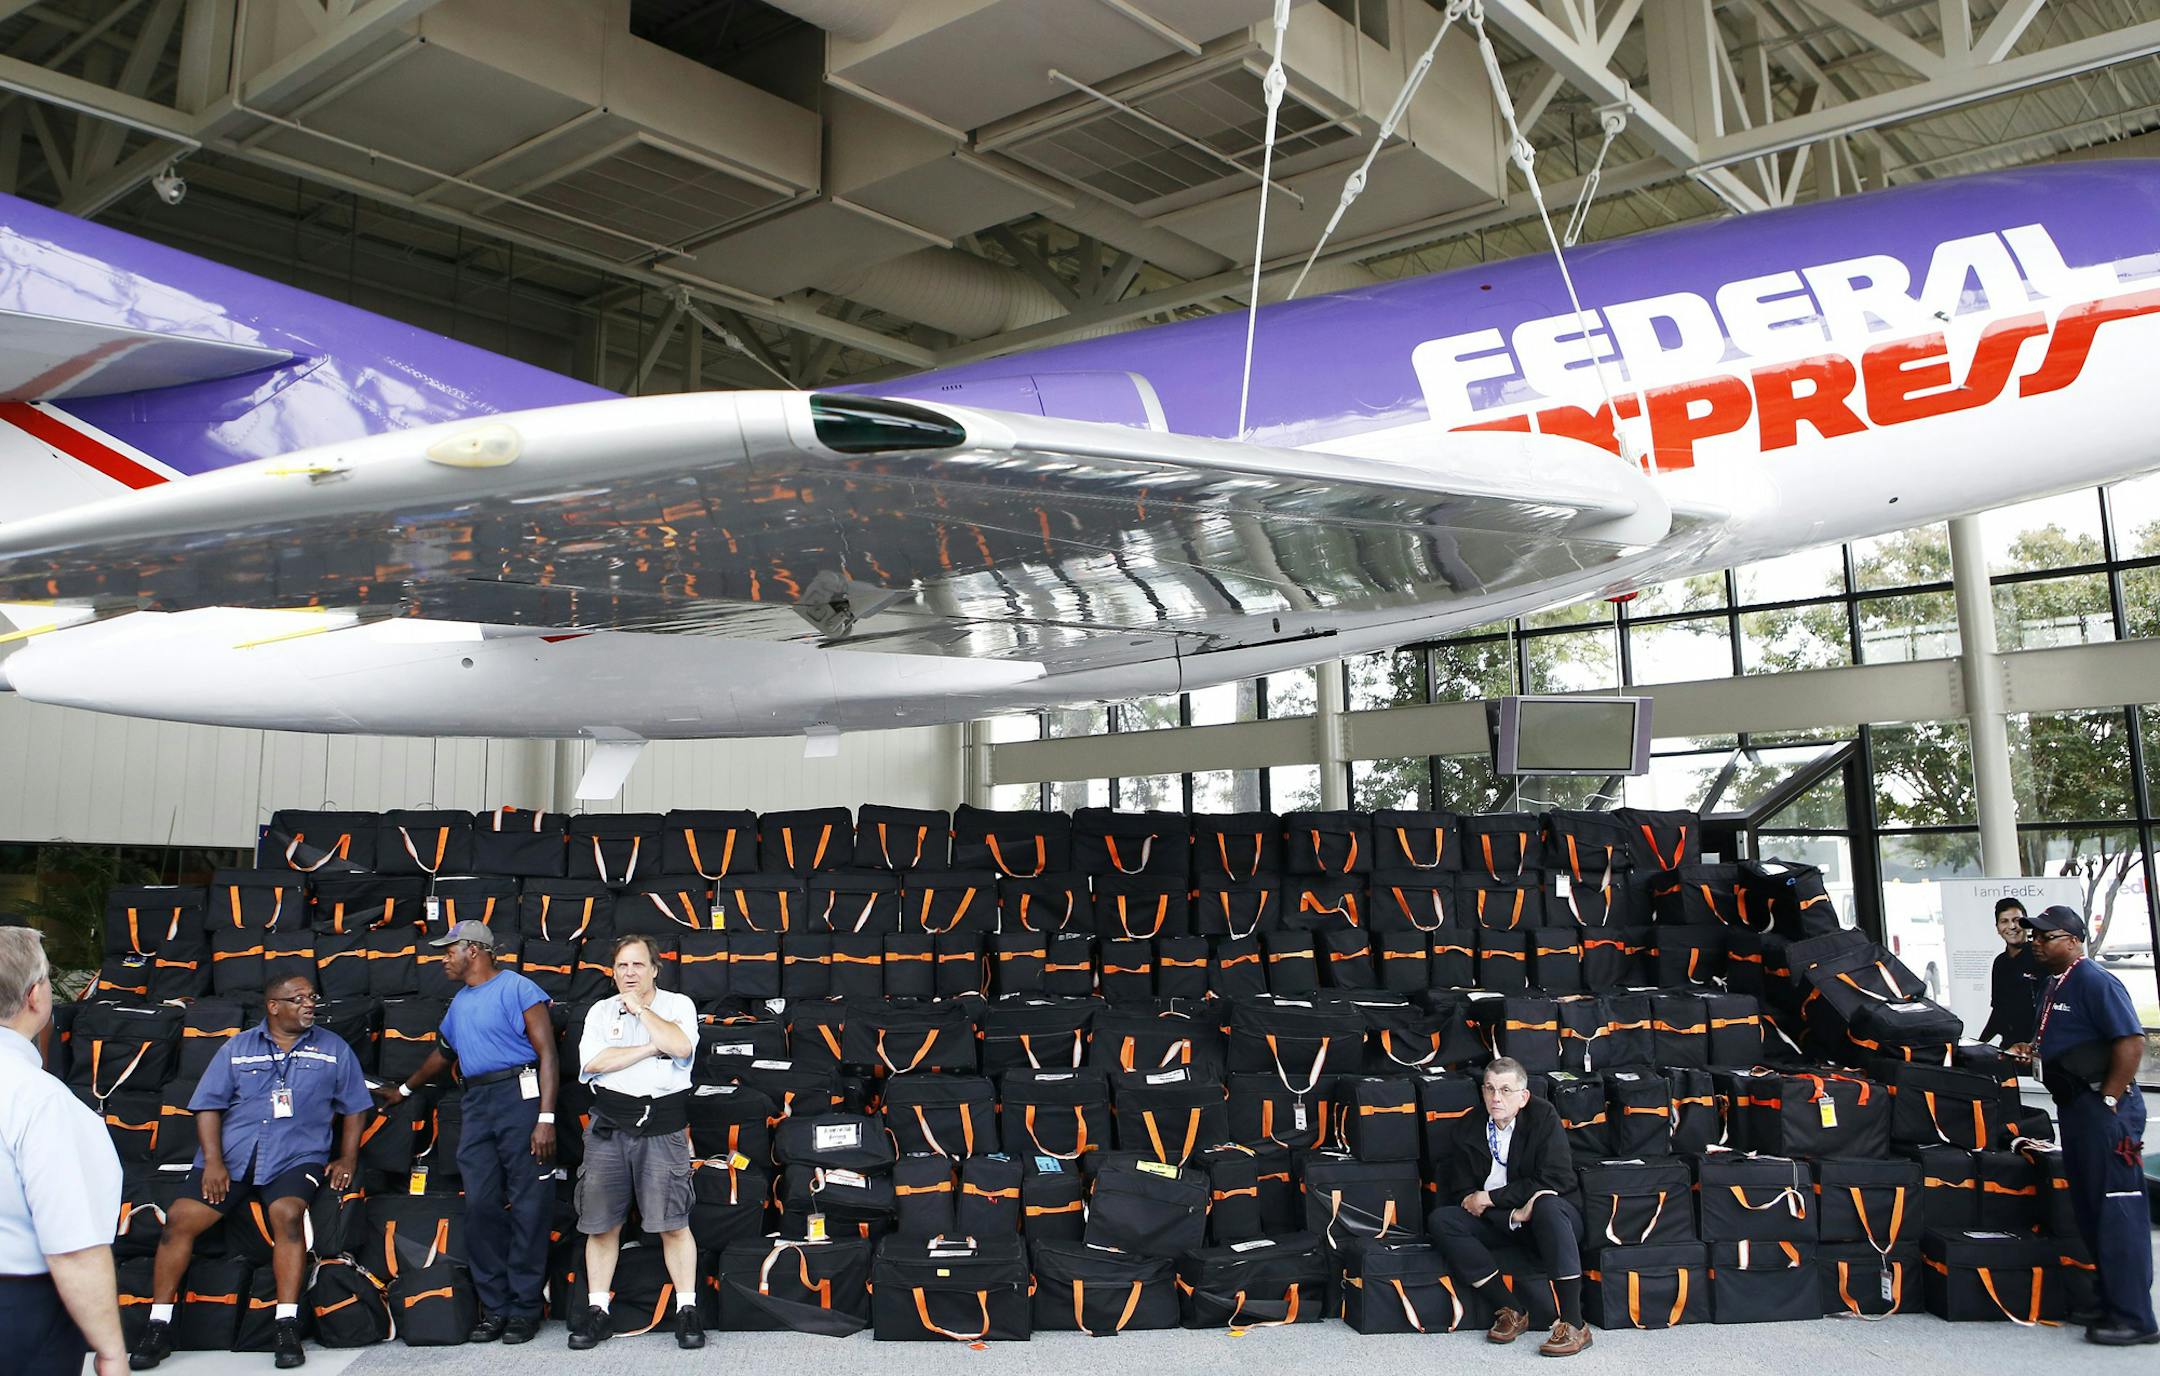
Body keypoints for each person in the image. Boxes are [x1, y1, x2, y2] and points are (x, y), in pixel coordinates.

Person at [130, 973, 370, 1370]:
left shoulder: (333, 1048)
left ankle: (286, 1325)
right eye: (298, 999)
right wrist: (214, 1163)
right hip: (234, 1158)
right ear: (273, 1006)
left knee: (287, 1215)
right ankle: (158, 1327)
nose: (309, 1004)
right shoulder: (237, 1048)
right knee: (179, 1220)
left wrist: (347, 1158)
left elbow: (356, 1105)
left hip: (297, 1156)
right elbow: (208, 1106)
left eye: (312, 997)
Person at [373, 919, 556, 1344]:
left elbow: (547, 1053)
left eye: (447, 951)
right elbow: (442, 1054)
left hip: (520, 1095)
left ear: (473, 950)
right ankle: (495, 1308)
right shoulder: (459, 1003)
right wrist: (403, 1088)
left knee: (529, 1205)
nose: (443, 960)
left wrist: (546, 1118)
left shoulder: (517, 988)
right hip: (476, 1103)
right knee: (480, 1207)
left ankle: (525, 1310)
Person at [2006, 904, 2155, 1346]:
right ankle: (2109, 1300)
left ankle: (2136, 1317)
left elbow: (2130, 1041)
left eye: (2044, 937)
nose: (2035, 942)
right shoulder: (2054, 984)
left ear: (2072, 940)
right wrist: (2031, 1050)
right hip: (2075, 1108)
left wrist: (2109, 1097)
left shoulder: (2096, 981)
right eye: (2033, 936)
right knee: (2090, 1210)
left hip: (2103, 1109)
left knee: (2117, 1210)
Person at [0, 926, 125, 1376]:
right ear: (36, 997)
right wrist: (109, 1348)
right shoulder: (39, 1099)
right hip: (19, 1312)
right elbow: (72, 1245)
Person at [566, 935, 701, 1351]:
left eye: (638, 965)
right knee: (601, 1223)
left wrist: (643, 1010)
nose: (629, 974)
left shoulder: (679, 1006)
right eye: (622, 966)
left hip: (663, 1126)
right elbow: (593, 1063)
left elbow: (680, 1046)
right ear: (613, 971)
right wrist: (648, 1047)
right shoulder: (600, 1011)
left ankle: (687, 1309)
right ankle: (597, 1311)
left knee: (673, 1223)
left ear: (654, 969)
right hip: (610, 1126)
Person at [1427, 1056, 1590, 1357]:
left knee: (1547, 1204)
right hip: (1500, 1220)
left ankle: (1574, 1323)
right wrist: (1511, 1213)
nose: (1495, 1097)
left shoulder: (1543, 1117)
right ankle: (1512, 1309)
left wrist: (1491, 1198)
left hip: (1549, 1219)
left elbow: (1556, 1178)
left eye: (1505, 1090)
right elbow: (1464, 1192)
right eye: (1489, 1089)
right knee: (1442, 1220)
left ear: (1524, 1096)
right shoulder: (1468, 1125)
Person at [1979, 896, 2043, 1047]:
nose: (2012, 926)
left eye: (2017, 920)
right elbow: (1998, 1011)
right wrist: (1979, 1044)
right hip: (2009, 1048)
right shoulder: (1999, 963)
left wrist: (2034, 1045)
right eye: (2004, 921)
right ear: (1997, 928)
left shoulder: (2041, 957)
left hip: (2037, 1049)